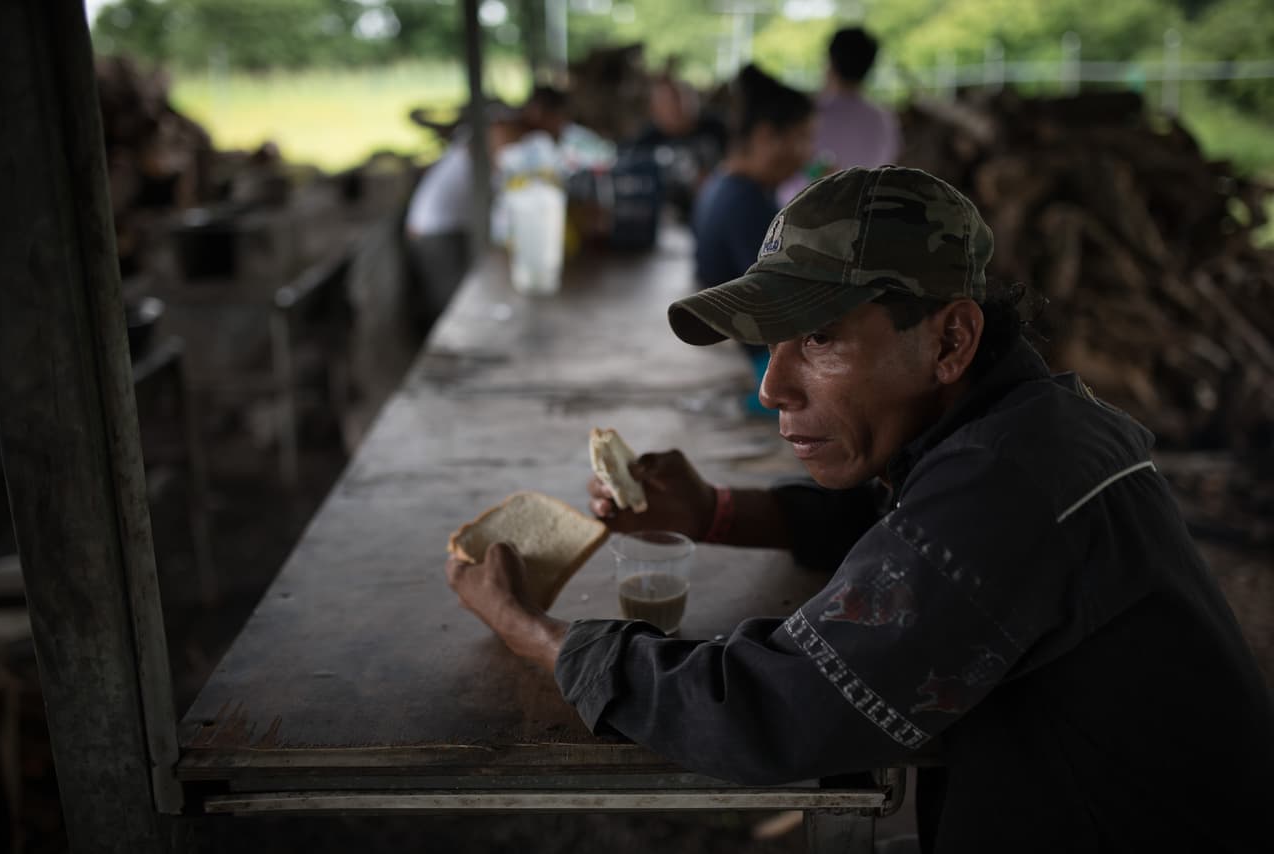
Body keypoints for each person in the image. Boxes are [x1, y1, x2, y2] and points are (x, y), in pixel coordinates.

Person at [447, 166, 1274, 852]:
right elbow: (904, 532)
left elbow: (774, 707)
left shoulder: (1009, 486)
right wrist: (715, 511)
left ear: (950, 340)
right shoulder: (1022, 426)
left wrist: (538, 635)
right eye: (771, 344)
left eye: (819, 340)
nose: (772, 387)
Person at [692, 64, 814, 411]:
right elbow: (783, 300)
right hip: (760, 364)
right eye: (802, 137)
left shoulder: (725, 183)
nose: (807, 152)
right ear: (765, 137)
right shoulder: (745, 201)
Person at [404, 101, 523, 332]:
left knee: (458, 294)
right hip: (433, 232)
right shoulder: (477, 151)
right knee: (449, 302)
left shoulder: (472, 147)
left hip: (443, 228)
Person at [779, 26, 901, 205]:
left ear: (830, 62)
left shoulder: (808, 115)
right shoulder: (885, 119)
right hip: (863, 218)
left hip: (801, 218)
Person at [627, 73, 729, 221]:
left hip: (717, 209)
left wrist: (713, 182)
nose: (677, 107)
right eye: (668, 102)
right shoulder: (645, 143)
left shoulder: (717, 128)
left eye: (681, 98)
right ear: (654, 109)